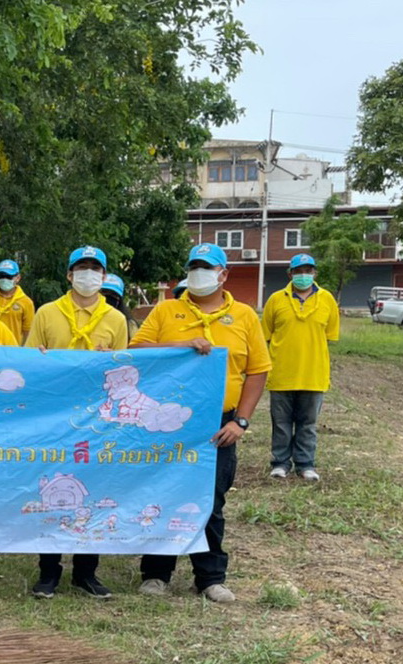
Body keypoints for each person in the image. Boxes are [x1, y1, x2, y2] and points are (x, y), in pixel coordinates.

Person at [128, 243, 270, 604]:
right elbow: (136, 350)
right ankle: (156, 573)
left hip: (219, 424)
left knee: (210, 499)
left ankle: (209, 577)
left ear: (223, 275)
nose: (198, 273)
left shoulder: (244, 316)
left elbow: (257, 371)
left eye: (206, 267)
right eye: (193, 266)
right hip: (168, 422)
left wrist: (241, 421)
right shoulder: (166, 310)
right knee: (164, 493)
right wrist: (182, 345)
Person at [24, 245, 129, 599]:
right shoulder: (47, 313)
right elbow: (29, 363)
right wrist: (39, 359)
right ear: (69, 275)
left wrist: (110, 361)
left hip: (96, 419)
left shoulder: (115, 319)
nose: (88, 274)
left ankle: (86, 572)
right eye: (82, 268)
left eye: (95, 269)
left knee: (93, 488)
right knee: (53, 487)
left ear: (104, 276)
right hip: (55, 416)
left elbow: (122, 371)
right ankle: (48, 571)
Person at [261, 253, 340, 483]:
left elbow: (329, 335)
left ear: (315, 273)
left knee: (308, 424)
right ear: (290, 274)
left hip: (313, 373)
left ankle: (306, 464)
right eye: (298, 271)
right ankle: (280, 463)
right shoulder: (276, 299)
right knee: (281, 423)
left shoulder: (327, 300)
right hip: (281, 373)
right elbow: (265, 335)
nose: (303, 275)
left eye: (308, 271)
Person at [0, 259, 35, 344]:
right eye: (1, 276)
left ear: (18, 278)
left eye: (8, 276)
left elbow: (28, 331)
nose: (4, 279)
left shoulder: (26, 302)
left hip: (13, 348)